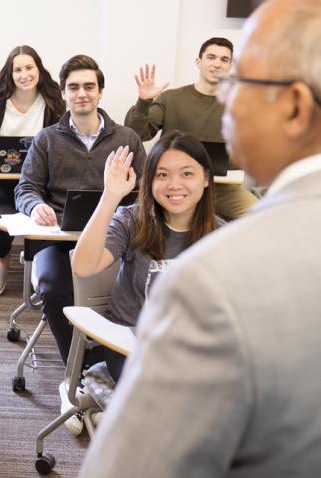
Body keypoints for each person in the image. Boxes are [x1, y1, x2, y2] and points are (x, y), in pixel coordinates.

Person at [81, 0, 321, 475]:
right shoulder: (139, 222)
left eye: (239, 80)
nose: (224, 97)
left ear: (294, 106)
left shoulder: (213, 273)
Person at [14, 54, 146, 365]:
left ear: (101, 92)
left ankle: (111, 357)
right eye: (73, 87)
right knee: (52, 287)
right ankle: (82, 368)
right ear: (63, 94)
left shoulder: (127, 138)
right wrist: (36, 207)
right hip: (57, 240)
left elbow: (145, 193)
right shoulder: (46, 139)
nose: (81, 93)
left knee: (131, 287)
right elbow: (25, 188)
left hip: (115, 239)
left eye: (89, 86)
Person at [72, 131, 219, 383]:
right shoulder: (132, 220)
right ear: (150, 181)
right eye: (163, 175)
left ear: (205, 178)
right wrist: (110, 196)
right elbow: (84, 267)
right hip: (131, 345)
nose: (174, 185)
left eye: (187, 173)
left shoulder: (222, 235)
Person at [0, 45, 66, 296]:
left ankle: (41, 263)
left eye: (29, 67)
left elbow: (63, 144)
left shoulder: (52, 100)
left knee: (52, 216)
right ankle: (3, 260)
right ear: (9, 73)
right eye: (17, 69)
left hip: (39, 182)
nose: (24, 75)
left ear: (39, 69)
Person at [124, 36, 258, 220]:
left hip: (219, 187)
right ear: (198, 62)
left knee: (258, 214)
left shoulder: (239, 104)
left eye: (224, 59)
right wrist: (144, 102)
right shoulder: (171, 98)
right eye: (211, 57)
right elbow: (136, 134)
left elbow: (250, 153)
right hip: (172, 184)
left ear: (230, 67)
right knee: (137, 217)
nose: (217, 64)